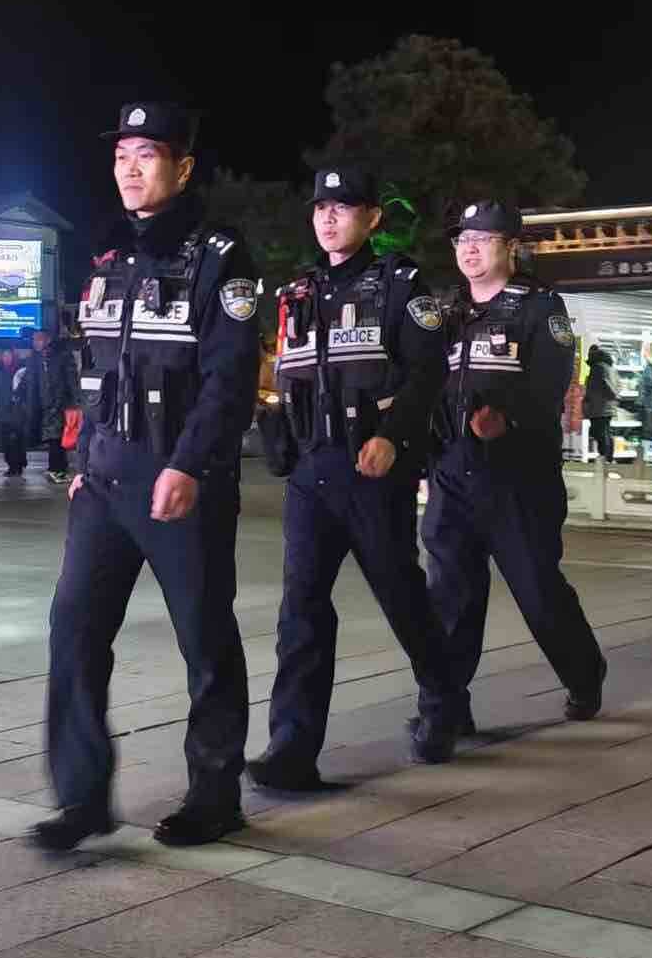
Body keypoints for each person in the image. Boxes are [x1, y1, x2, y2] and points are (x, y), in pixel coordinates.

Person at [35, 101, 259, 851]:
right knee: (74, 629)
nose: (130, 169)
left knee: (204, 637)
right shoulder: (108, 257)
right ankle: (82, 797)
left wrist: (189, 463)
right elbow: (98, 372)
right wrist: (81, 462)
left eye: (147, 155)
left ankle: (215, 796)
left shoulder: (220, 258)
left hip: (181, 483)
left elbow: (230, 378)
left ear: (183, 168)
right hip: (104, 483)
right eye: (121, 155)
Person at [249, 168, 465, 789]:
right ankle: (292, 748)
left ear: (371, 218)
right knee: (302, 610)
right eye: (321, 207)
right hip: (311, 471)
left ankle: (443, 700)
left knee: (401, 595)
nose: (328, 218)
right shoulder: (298, 292)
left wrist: (393, 438)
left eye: (343, 208)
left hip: (372, 469)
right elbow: (285, 373)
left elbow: (428, 371)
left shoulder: (400, 285)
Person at [422, 200, 607, 729]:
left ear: (510, 247)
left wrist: (508, 417)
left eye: (482, 240)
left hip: (517, 475)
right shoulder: (446, 310)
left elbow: (552, 377)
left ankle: (584, 674)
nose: (469, 250)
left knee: (537, 589)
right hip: (453, 470)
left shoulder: (539, 306)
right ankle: (445, 709)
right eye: (462, 240)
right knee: (450, 596)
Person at [29, 327, 80, 484]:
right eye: (33, 340)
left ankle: (57, 469)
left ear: (47, 339)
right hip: (45, 404)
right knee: (53, 438)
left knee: (56, 438)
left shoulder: (62, 355)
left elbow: (71, 380)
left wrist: (75, 402)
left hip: (60, 404)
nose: (35, 343)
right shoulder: (37, 358)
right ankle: (57, 469)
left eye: (38, 339)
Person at [583, 343, 620, 462]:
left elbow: (603, 384)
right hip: (608, 406)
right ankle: (609, 458)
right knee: (606, 432)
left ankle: (604, 459)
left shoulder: (597, 367)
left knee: (601, 434)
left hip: (599, 407)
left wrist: (611, 394)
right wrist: (614, 397)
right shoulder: (610, 367)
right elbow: (617, 384)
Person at [0, 350, 29, 477]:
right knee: (6, 442)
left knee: (15, 440)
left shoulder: (20, 371)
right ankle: (13, 465)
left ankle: (16, 466)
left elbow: (26, 389)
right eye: (4, 356)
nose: (6, 358)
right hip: (3, 411)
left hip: (17, 412)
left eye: (8, 355)